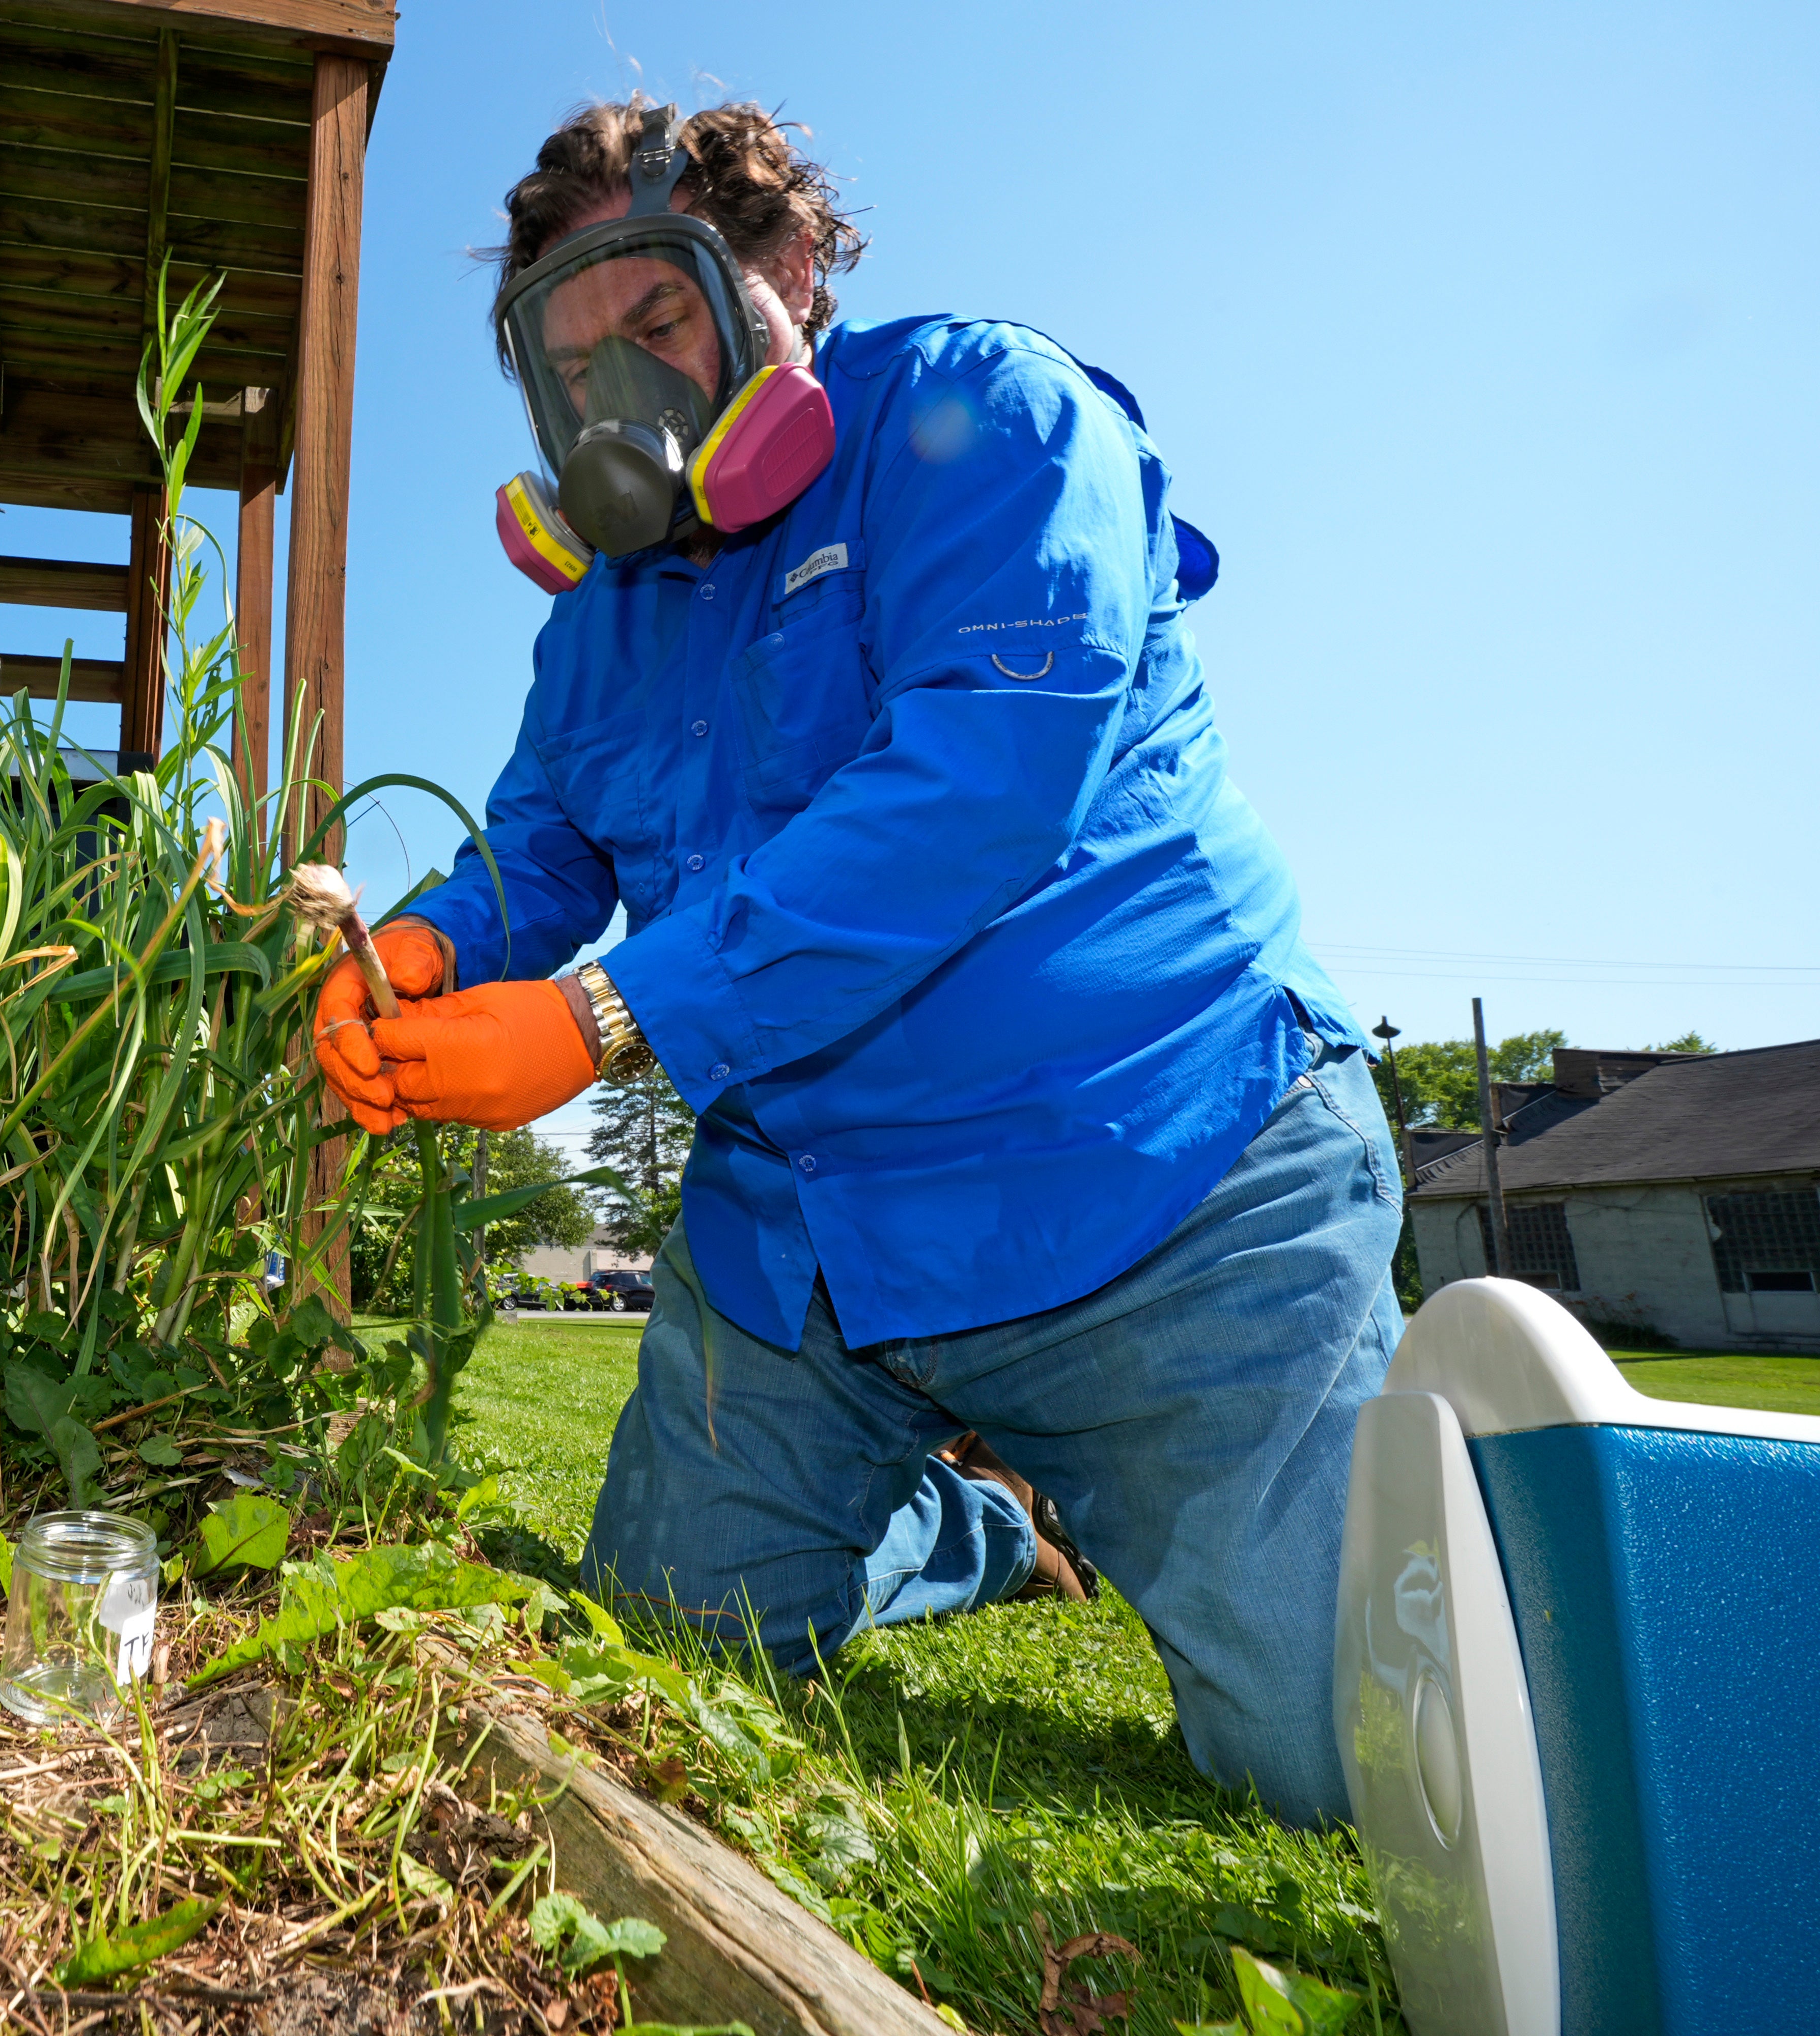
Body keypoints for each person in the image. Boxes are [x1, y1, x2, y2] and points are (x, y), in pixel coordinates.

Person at [309, 100, 1398, 1829]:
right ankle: (978, 1529)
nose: (625, 403)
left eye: (657, 327)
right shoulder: (599, 614)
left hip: (1160, 1183)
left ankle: (1361, 1484)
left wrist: (602, 1013)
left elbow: (973, 793)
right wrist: (437, 940)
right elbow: (551, 841)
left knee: (1357, 1770)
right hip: (808, 1251)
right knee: (669, 1649)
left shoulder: (994, 424)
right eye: (575, 369)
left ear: (787, 270)